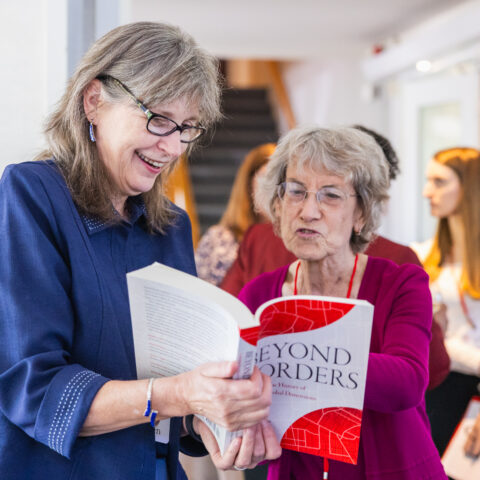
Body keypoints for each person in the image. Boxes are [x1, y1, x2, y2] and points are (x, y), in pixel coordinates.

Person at [0, 22, 281, 480]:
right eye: (158, 120)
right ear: (94, 101)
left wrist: (218, 423)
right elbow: (35, 389)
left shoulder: (169, 225)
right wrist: (182, 395)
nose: (171, 147)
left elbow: (178, 393)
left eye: (186, 128)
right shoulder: (33, 195)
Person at [238, 125, 447, 479]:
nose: (308, 211)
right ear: (277, 203)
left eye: (330, 195)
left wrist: (292, 356)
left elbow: (406, 382)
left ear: (361, 214)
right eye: (296, 192)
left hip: (394, 469)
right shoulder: (259, 295)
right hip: (296, 470)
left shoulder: (401, 283)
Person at [411, 147, 480, 457]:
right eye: (428, 181)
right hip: (434, 390)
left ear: (469, 186)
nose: (427, 192)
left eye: (439, 182)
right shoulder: (420, 256)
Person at [195, 143, 275, 285]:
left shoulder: (293, 245)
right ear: (249, 183)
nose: (274, 189)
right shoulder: (219, 239)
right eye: (267, 178)